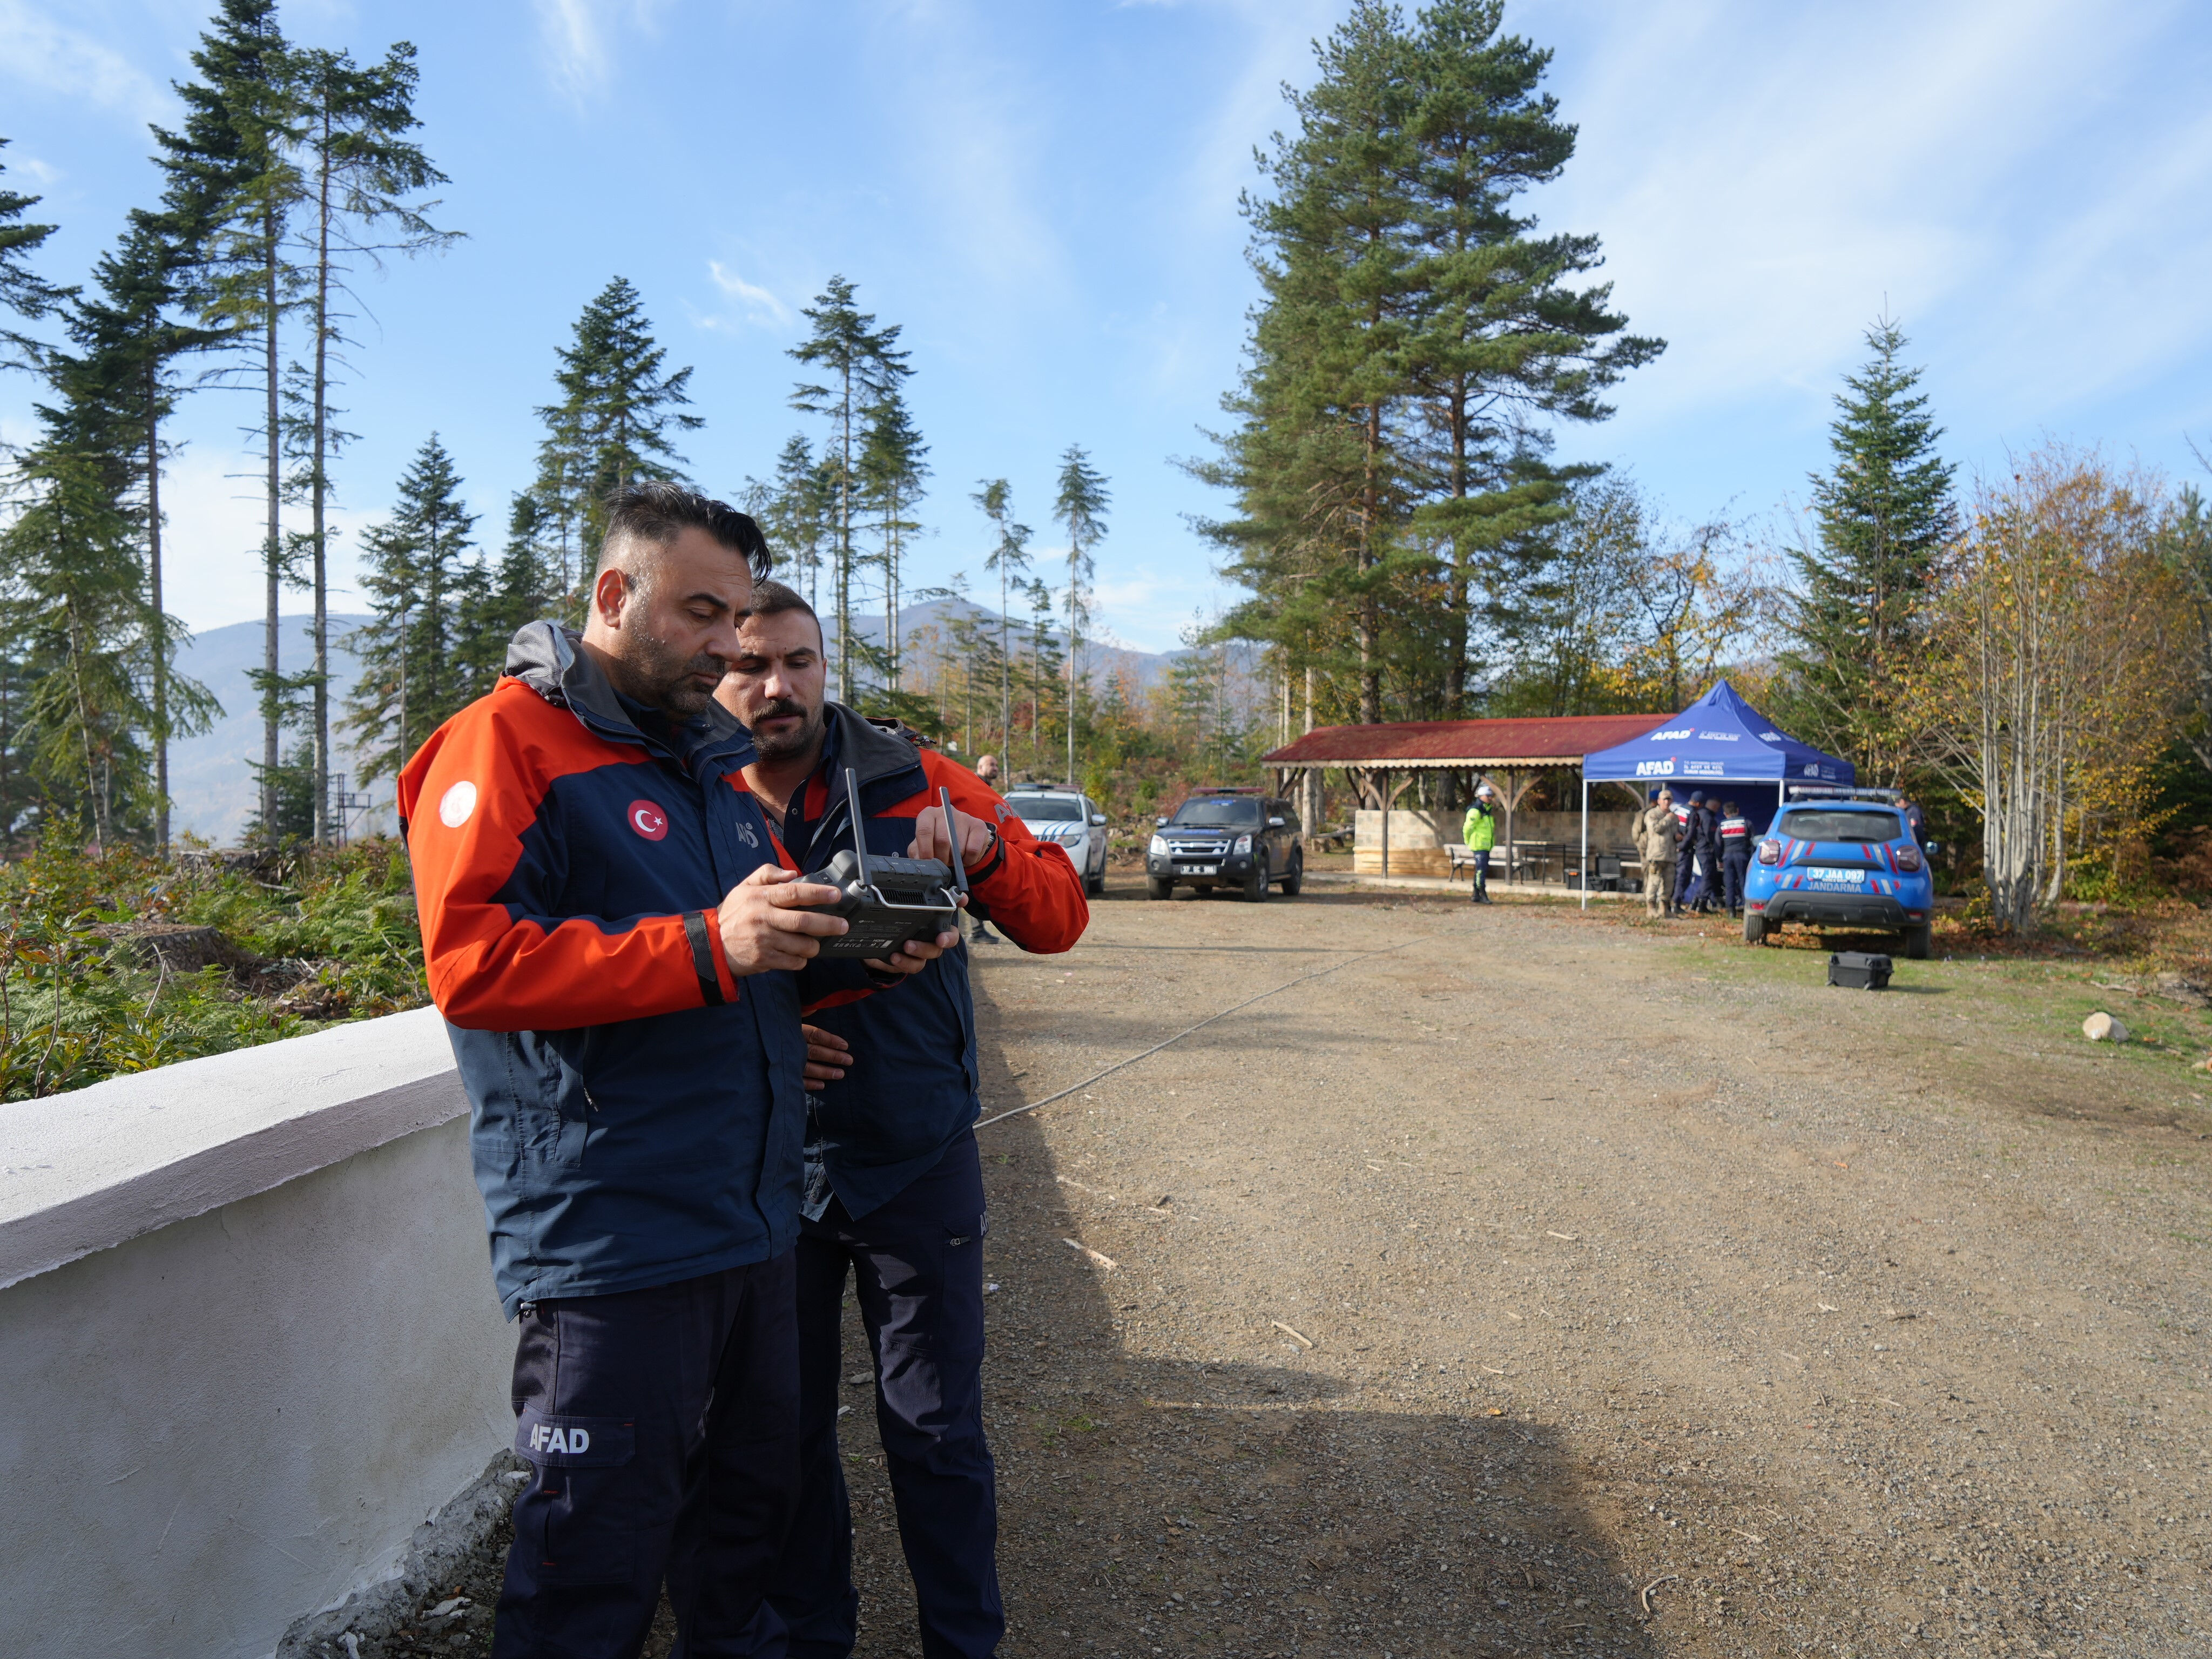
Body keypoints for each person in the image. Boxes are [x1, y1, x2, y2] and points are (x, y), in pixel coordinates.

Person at [398, 484, 952, 1658]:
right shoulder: (499, 743)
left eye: (737, 617)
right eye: (702, 614)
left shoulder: (704, 761)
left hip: (749, 1223)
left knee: (744, 1537)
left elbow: (740, 971)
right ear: (614, 594)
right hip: (611, 1240)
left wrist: (858, 962)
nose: (727, 646)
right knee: (588, 1563)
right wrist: (712, 943)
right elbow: (472, 966)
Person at [716, 581, 1090, 1659]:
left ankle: (961, 1643)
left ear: (825, 666)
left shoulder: (912, 776)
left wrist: (979, 854)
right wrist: (766, 1040)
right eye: (750, 665)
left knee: (934, 1434)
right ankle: (810, 1635)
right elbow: (661, 959)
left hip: (914, 1159)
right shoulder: (691, 796)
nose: (776, 687)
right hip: (763, 1171)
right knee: (777, 1440)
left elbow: (1058, 917)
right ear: (715, 673)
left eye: (797, 661)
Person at [1640, 788, 1677, 916]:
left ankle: (1664, 909)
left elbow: (1674, 832)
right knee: (1654, 882)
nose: (1667, 802)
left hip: (1670, 855)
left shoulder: (1674, 816)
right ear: (1659, 801)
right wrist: (1667, 819)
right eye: (1665, 799)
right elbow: (1656, 829)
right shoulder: (1652, 814)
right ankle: (1650, 909)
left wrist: (1678, 836)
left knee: (1668, 883)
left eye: (1669, 799)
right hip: (1656, 855)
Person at [1461, 783, 1499, 903]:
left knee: (1480, 870)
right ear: (1481, 797)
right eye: (1488, 796)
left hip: (1486, 846)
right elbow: (1467, 828)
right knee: (1481, 871)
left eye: (1491, 796)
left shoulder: (1486, 811)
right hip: (1479, 845)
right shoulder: (1476, 811)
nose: (1490, 798)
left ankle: (1476, 895)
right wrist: (1468, 841)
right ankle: (1483, 894)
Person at [1718, 799, 1751, 915]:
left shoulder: (1722, 825)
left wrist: (1719, 859)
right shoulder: (1746, 822)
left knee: (1729, 883)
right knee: (1744, 881)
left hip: (1727, 856)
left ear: (1725, 813)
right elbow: (1752, 842)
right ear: (1738, 810)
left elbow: (1718, 844)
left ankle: (1731, 910)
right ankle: (1747, 907)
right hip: (1742, 855)